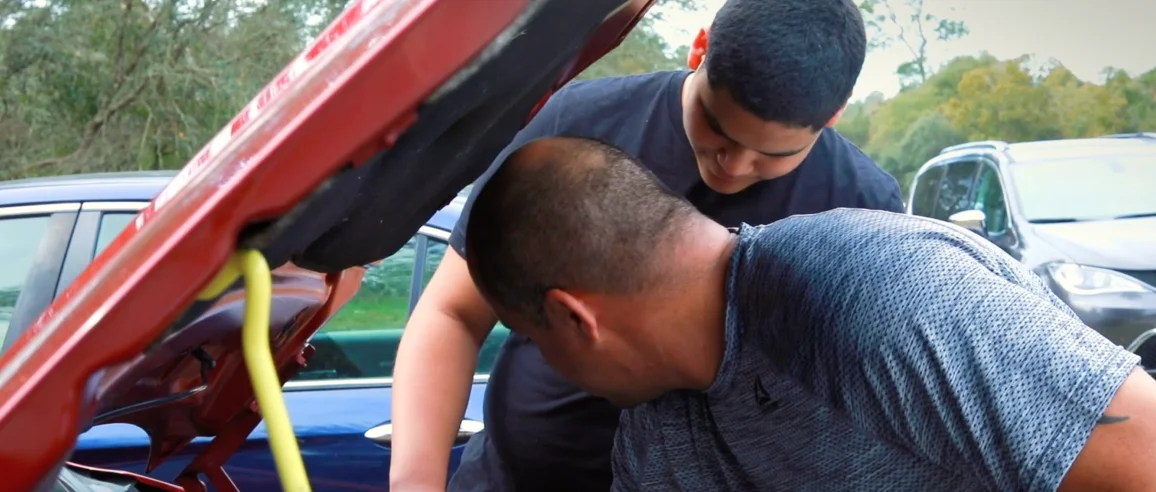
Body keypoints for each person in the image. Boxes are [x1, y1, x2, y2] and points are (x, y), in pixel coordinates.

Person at [389, 0, 903, 490]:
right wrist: (415, 483)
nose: (734, 166)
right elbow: (453, 313)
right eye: (718, 129)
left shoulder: (860, 206)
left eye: (773, 154)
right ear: (698, 49)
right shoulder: (578, 126)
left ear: (834, 115)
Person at [463, 135, 1156, 491]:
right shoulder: (658, 436)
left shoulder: (874, 291)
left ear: (576, 318)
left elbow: (1143, 458)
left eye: (533, 340)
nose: (552, 366)